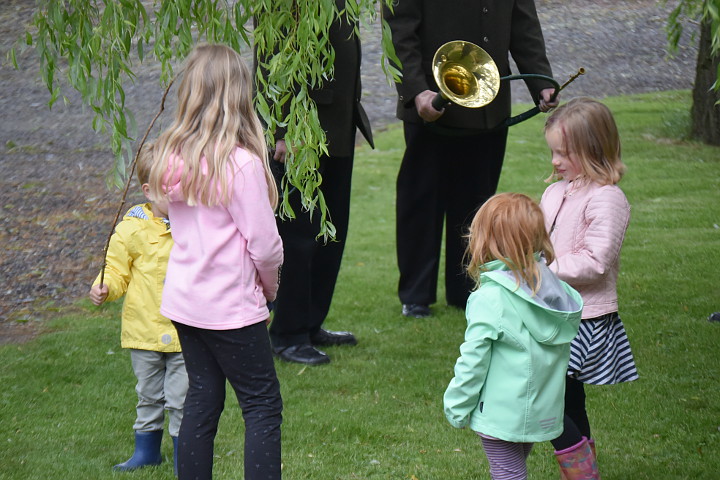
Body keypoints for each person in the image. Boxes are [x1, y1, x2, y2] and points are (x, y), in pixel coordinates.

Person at [147, 44, 283, 480]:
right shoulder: (240, 165)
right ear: (239, 95)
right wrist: (271, 287)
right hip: (230, 309)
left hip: (187, 304)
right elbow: (264, 246)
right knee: (262, 405)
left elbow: (170, 215)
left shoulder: (172, 159)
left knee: (202, 401)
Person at [382, 0, 559, 318]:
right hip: (433, 102)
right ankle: (416, 295)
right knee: (422, 200)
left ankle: (466, 287)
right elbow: (399, 29)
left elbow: (523, 23)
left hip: (488, 106)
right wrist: (415, 91)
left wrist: (541, 82)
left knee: (477, 203)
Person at [263, 0, 374, 365]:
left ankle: (310, 323)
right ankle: (288, 333)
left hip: (336, 127)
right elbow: (271, 59)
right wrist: (282, 128)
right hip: (300, 134)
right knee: (298, 238)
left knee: (330, 234)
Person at [443, 192, 583, 480]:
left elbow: (473, 358)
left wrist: (457, 404)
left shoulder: (489, 298)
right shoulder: (551, 288)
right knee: (513, 468)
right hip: (541, 409)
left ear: (484, 240)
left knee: (508, 474)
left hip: (502, 412)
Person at [540, 97, 639, 479]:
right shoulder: (554, 192)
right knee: (568, 399)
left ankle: (582, 473)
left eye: (564, 153)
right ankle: (584, 468)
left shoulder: (608, 199)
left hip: (584, 317)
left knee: (546, 399)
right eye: (552, 152)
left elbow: (595, 262)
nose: (554, 161)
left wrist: (542, 271)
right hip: (552, 312)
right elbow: (540, 242)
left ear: (594, 149)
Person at [89, 142, 187, 474]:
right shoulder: (131, 228)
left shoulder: (195, 222)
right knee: (148, 394)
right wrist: (104, 286)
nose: (177, 196)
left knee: (182, 399)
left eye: (182, 186)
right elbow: (116, 269)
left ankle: (184, 455)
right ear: (147, 190)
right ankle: (146, 451)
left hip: (185, 331)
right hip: (143, 330)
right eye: (168, 190)